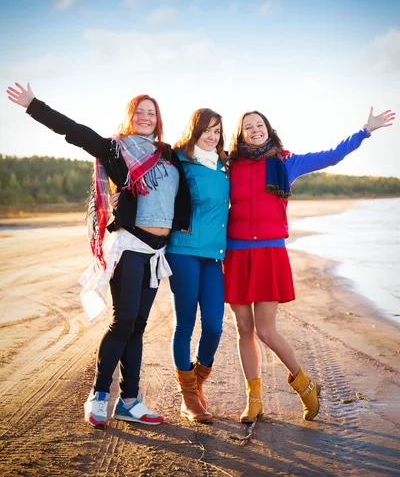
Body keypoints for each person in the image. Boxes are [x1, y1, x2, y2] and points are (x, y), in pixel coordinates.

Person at [6, 82, 191, 430]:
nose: (146, 117)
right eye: (140, 111)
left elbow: (201, 159)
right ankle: (99, 395)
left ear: (159, 119)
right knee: (123, 322)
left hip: (157, 251)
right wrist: (34, 104)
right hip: (130, 246)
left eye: (152, 113)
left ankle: (130, 401)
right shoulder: (115, 149)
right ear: (129, 116)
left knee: (138, 326)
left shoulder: (169, 154)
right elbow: (74, 132)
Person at [224, 107, 395, 423]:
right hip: (236, 251)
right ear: (241, 134)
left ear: (268, 129)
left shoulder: (286, 163)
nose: (255, 129)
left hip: (268, 251)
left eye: (259, 124)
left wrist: (364, 130)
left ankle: (304, 385)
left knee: (265, 330)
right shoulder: (229, 165)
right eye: (248, 127)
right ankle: (254, 399)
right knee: (243, 328)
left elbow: (332, 156)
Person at [166, 108, 230, 423]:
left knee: (216, 326)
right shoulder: (178, 160)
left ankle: (197, 385)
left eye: (217, 130)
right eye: (207, 129)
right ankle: (189, 398)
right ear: (195, 130)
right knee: (185, 324)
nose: (212, 135)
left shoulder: (224, 166)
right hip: (183, 250)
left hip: (213, 255)